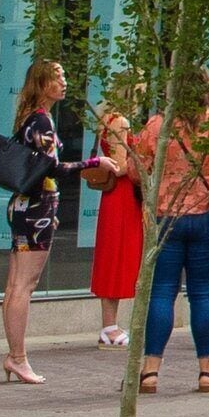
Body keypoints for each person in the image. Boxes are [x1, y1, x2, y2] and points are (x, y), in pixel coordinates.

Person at [129, 107, 209, 393]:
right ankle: (206, 372)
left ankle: (150, 372)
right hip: (207, 215)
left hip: (166, 215)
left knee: (162, 292)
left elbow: (135, 171)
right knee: (203, 293)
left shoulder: (157, 125)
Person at [0, 59, 70, 386]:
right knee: (23, 286)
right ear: (42, 84)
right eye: (57, 77)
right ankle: (18, 356)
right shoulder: (41, 121)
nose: (63, 82)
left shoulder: (31, 118)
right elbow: (52, 167)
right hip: (36, 208)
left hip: (28, 206)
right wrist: (98, 163)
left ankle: (15, 355)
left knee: (15, 284)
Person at [83, 104, 143, 346]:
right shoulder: (120, 121)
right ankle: (109, 327)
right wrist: (142, 161)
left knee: (114, 256)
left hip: (118, 197)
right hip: (123, 196)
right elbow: (118, 167)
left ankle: (110, 325)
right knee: (117, 257)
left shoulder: (107, 120)